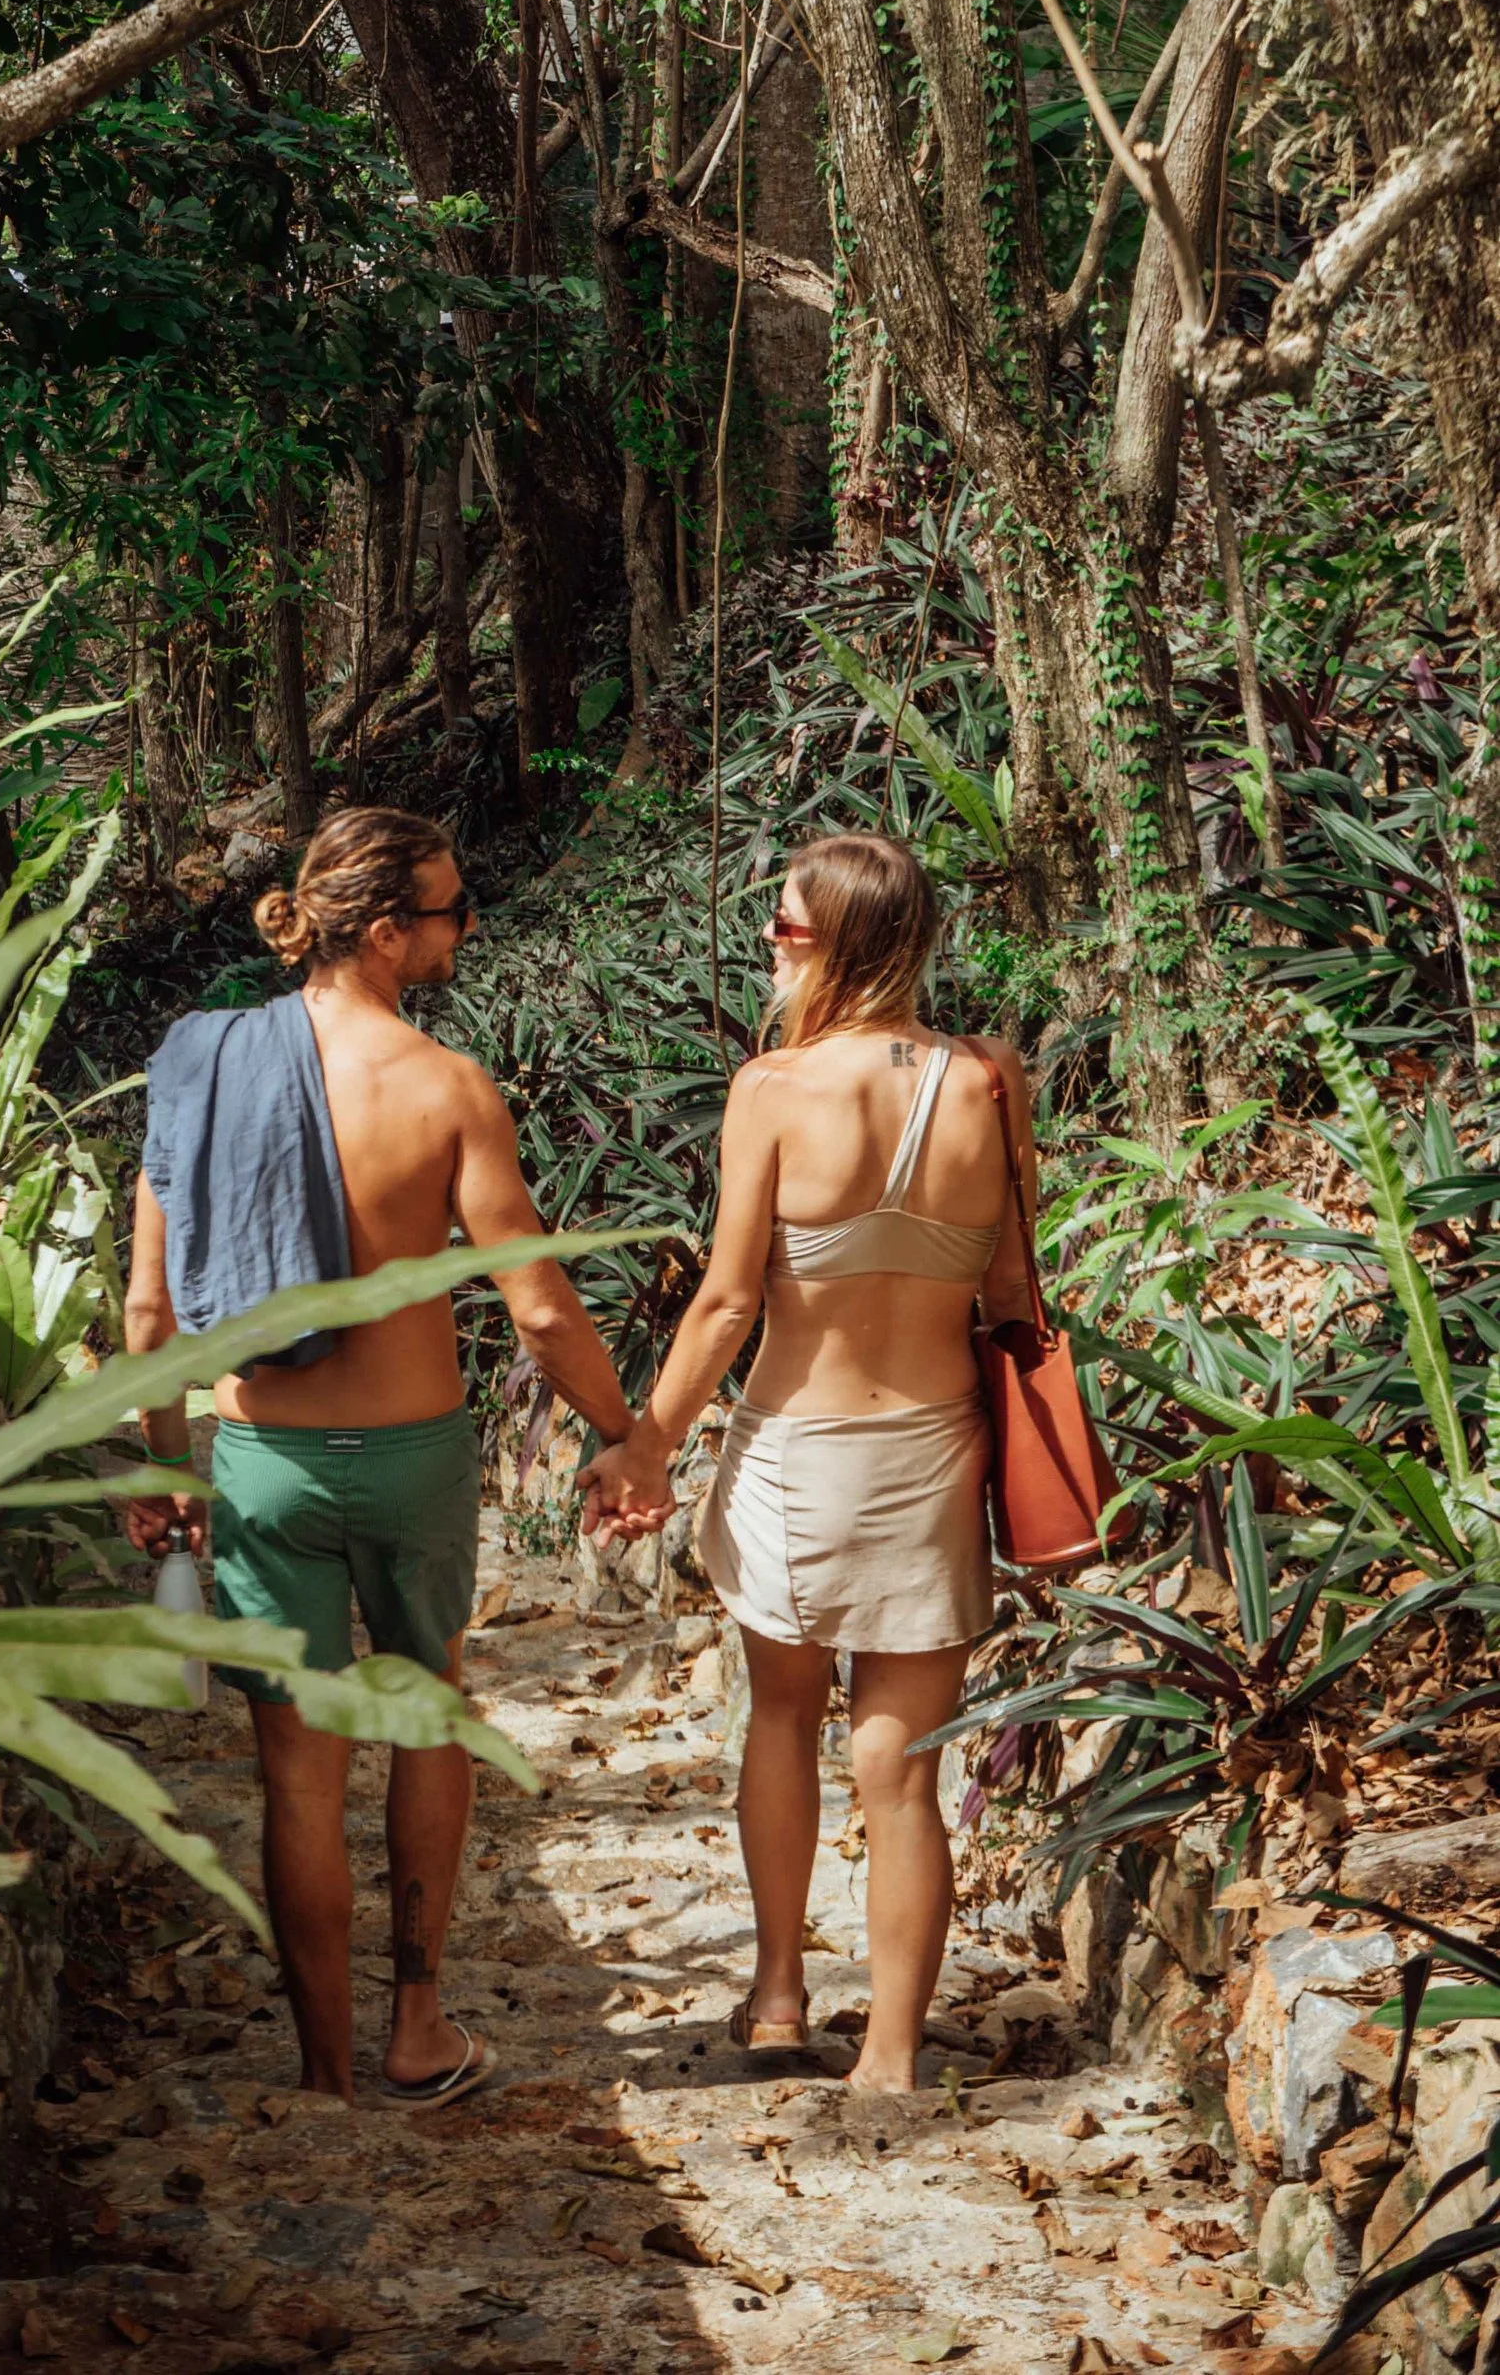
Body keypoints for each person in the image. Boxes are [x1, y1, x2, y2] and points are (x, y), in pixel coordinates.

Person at [123, 805, 638, 2108]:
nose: (467, 930)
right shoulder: (447, 1087)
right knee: (428, 1715)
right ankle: (417, 2027)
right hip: (412, 1462)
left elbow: (147, 1314)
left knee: (297, 1771)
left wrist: (168, 1469)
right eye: (454, 910)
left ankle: (323, 2071)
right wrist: (623, 1432)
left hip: (263, 1460)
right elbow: (537, 1308)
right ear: (391, 930)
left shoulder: (205, 1066)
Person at [585, 830, 1035, 2093]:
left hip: (796, 1453)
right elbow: (1011, 1290)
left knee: (782, 1718)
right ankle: (888, 2056)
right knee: (902, 1767)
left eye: (785, 925)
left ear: (841, 940)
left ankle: (778, 1997)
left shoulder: (772, 1088)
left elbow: (728, 1302)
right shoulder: (991, 1079)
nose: (770, 942)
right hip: (935, 1455)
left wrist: (645, 1446)